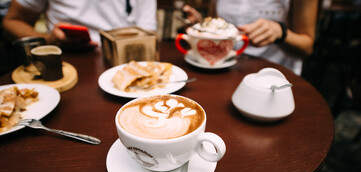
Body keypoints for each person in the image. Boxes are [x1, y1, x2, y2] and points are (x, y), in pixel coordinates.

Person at [183, 0, 319, 75]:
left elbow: (307, 47)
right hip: (226, 69)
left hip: (274, 74)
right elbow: (218, 22)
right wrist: (203, 28)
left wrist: (280, 33)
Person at [2, 0, 157, 49]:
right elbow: (12, 21)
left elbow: (147, 35)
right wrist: (49, 41)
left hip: (125, 62)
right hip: (66, 64)